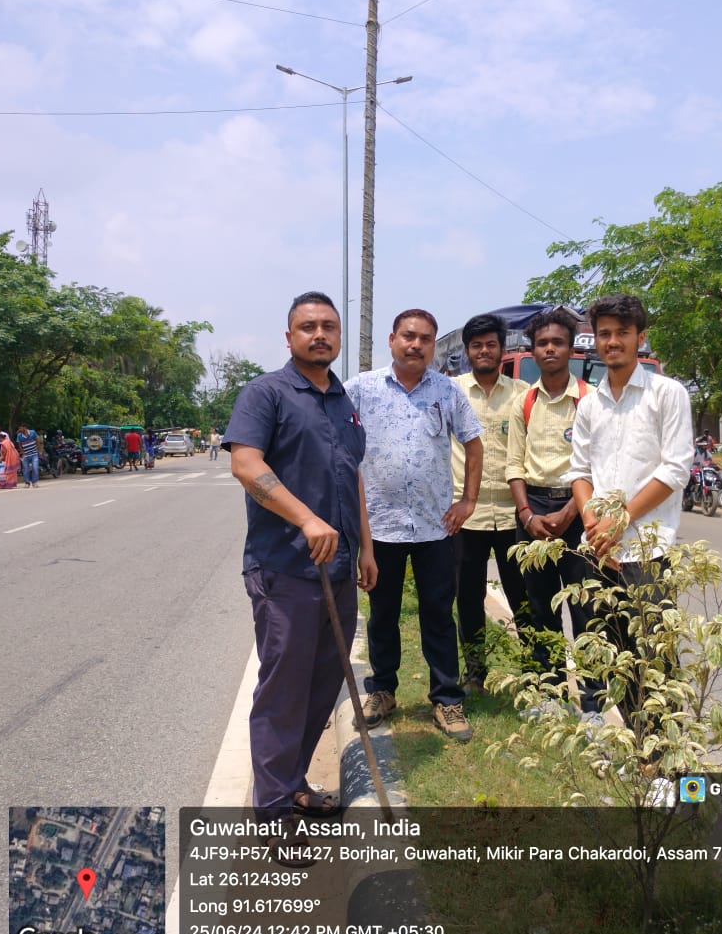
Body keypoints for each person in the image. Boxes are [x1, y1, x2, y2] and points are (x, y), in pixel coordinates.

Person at [223, 291, 376, 842]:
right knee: (283, 693)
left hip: (338, 572)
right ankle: (273, 816)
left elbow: (352, 472)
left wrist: (366, 548)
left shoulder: (343, 400)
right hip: (285, 569)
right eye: (308, 327)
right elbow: (245, 463)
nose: (320, 335)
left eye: (328, 326)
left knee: (321, 687)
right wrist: (306, 518)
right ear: (288, 337)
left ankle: (292, 784)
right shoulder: (266, 393)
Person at [345, 308, 483, 742]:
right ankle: (382, 691)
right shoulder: (361, 389)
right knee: (381, 615)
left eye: (425, 338)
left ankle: (446, 700)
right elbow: (335, 443)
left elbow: (475, 445)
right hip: (379, 528)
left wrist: (468, 500)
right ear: (391, 340)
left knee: (439, 616)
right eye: (408, 336)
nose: (416, 344)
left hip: (435, 527)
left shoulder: (448, 391)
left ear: (433, 345)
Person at [567, 293, 693, 756]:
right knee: (603, 654)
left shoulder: (667, 394)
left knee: (654, 662)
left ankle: (662, 763)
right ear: (594, 340)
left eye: (623, 333)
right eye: (604, 334)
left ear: (641, 338)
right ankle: (626, 750)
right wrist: (592, 521)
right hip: (597, 551)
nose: (613, 341)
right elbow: (579, 472)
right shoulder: (590, 405)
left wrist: (621, 519)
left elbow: (676, 469)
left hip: (648, 553)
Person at [505, 308, 599, 713]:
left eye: (557, 342)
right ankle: (551, 696)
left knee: (585, 611)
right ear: (532, 349)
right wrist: (527, 516)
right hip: (533, 513)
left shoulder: (592, 402)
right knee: (540, 609)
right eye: (542, 343)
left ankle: (593, 704)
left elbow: (598, 465)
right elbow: (514, 466)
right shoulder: (523, 402)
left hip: (580, 512)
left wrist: (572, 514)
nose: (549, 349)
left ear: (571, 348)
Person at [450, 313, 528, 692]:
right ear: (468, 351)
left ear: (502, 349)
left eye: (491, 344)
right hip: (465, 515)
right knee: (469, 597)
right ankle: (475, 673)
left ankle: (534, 671)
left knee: (524, 595)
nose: (484, 350)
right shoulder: (451, 391)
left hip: (514, 514)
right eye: (477, 345)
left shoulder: (522, 393)